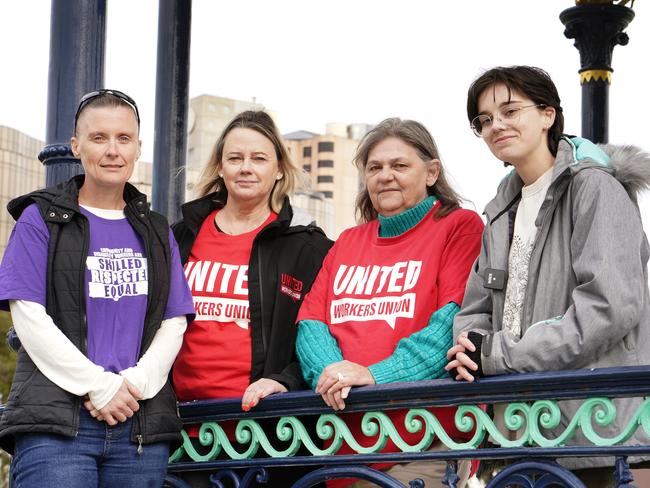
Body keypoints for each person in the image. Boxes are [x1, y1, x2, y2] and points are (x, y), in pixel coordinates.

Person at [446, 65, 650, 486]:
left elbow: (607, 307)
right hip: (520, 435)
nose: (495, 125)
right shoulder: (501, 209)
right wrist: (470, 349)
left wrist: (497, 354)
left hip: (597, 434)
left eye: (509, 110)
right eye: (484, 120)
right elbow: (474, 310)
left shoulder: (596, 188)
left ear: (548, 114)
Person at [0, 89, 195, 487]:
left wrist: (134, 386)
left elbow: (174, 320)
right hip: (57, 428)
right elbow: (29, 316)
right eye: (98, 138)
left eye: (123, 138)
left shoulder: (156, 229)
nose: (112, 150)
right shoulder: (41, 219)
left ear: (138, 147)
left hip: (139, 426)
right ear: (76, 146)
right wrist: (99, 386)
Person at [295, 118, 484, 488]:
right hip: (342, 443)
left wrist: (374, 376)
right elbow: (310, 324)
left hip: (424, 445)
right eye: (375, 168)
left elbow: (452, 324)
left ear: (431, 172)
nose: (386, 176)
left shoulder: (459, 227)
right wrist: (333, 373)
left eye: (400, 166)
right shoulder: (348, 241)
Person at [171, 110, 333, 486]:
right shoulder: (179, 237)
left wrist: (286, 380)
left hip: (268, 434)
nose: (246, 168)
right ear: (220, 167)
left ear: (278, 168)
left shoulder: (306, 247)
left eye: (259, 158)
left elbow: (325, 333)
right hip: (183, 433)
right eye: (235, 158)